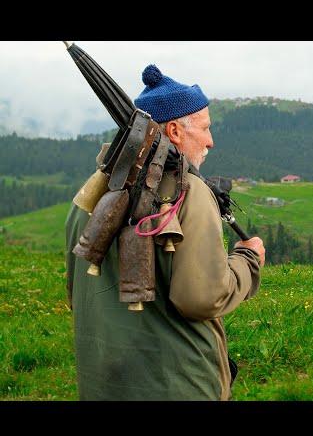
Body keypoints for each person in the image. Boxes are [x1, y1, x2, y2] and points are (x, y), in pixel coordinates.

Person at [65, 64, 265, 400]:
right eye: (204, 128)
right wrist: (247, 260)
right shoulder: (191, 193)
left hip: (102, 383)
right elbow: (202, 297)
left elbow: (77, 294)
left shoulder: (90, 194)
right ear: (174, 130)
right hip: (176, 385)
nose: (210, 141)